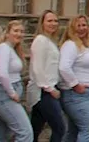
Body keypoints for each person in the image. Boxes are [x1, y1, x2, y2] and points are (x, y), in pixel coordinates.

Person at [59, 14, 89, 142]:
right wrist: (75, 84)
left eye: (84, 25)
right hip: (77, 96)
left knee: (73, 131)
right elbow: (64, 67)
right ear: (72, 28)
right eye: (78, 26)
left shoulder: (86, 45)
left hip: (88, 94)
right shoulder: (70, 45)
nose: (82, 28)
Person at [0, 19, 34, 141]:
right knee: (25, 132)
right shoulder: (3, 48)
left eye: (21, 31)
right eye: (15, 31)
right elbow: (2, 73)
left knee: (1, 134)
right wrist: (11, 92)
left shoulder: (12, 49)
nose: (19, 34)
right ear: (7, 33)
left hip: (10, 92)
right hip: (5, 94)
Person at [29, 10, 67, 142]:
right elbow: (37, 67)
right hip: (43, 92)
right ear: (42, 23)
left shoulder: (50, 41)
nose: (53, 24)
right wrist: (49, 88)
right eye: (49, 21)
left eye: (55, 21)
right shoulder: (40, 41)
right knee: (60, 128)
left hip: (49, 88)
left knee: (35, 129)